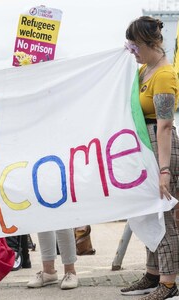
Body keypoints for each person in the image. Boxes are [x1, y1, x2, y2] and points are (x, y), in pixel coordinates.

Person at [120, 16, 179, 300]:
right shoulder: (144, 69)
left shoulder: (164, 74)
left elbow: (166, 124)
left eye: (134, 45)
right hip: (145, 144)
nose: (132, 50)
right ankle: (153, 273)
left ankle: (168, 282)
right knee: (146, 210)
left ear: (148, 42)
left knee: (165, 213)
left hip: (161, 145)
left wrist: (165, 169)